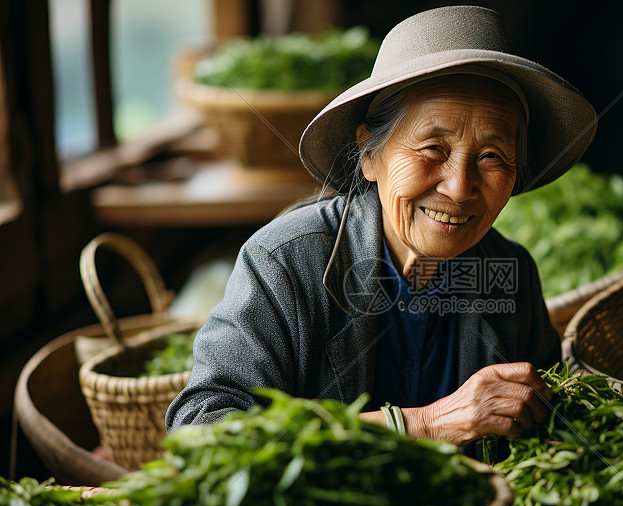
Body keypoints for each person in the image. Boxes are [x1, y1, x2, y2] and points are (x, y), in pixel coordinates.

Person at [165, 5, 596, 454]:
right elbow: (201, 431)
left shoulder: (510, 273)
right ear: (369, 154)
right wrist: (425, 423)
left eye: (492, 156)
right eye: (433, 147)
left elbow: (548, 426)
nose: (459, 186)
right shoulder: (286, 262)